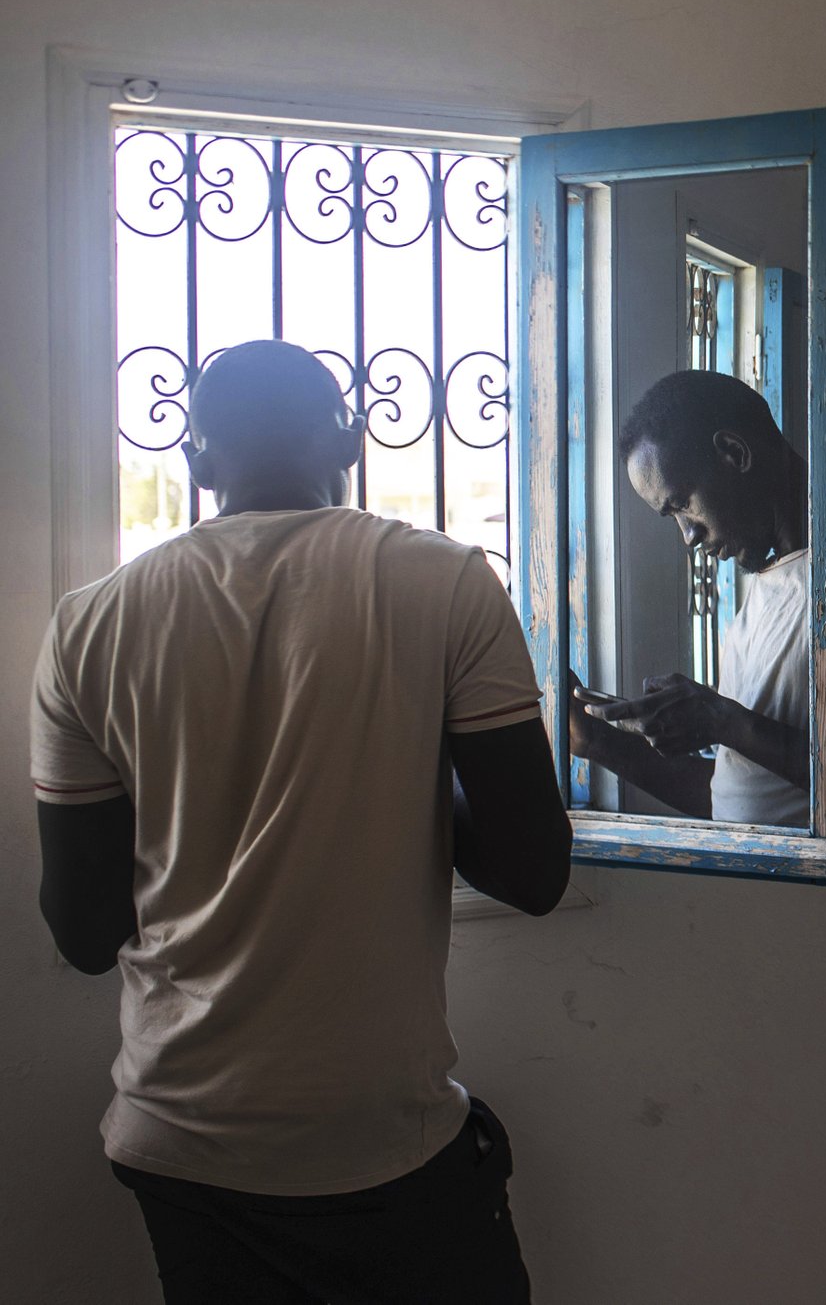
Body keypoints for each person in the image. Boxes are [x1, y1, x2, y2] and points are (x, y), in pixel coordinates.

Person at [29, 340, 573, 1303]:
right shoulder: (446, 582)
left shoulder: (89, 622)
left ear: (196, 462)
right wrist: (404, 767)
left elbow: (83, 931)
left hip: (177, 1140)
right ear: (353, 443)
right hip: (376, 1144)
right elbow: (533, 870)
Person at [567, 370, 812, 827]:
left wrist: (723, 719)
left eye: (681, 503)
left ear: (734, 453)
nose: (688, 536)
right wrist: (594, 740)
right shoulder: (763, 594)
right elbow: (732, 795)